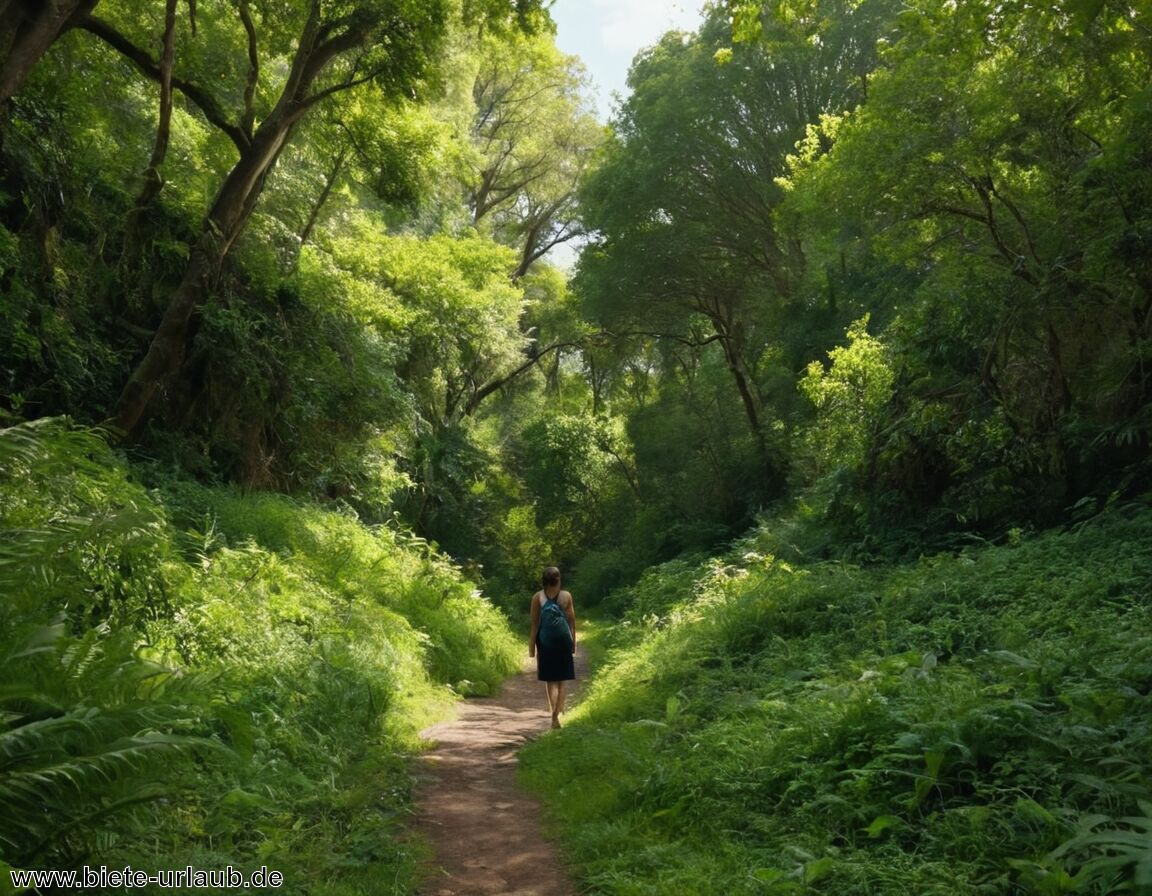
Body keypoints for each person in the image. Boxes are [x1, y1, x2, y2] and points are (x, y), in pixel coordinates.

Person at [528, 566, 576, 729]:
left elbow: (534, 624)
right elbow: (572, 622)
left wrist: (531, 648)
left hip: (546, 641)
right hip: (564, 641)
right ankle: (557, 714)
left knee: (550, 681)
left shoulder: (538, 597)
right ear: (559, 580)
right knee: (562, 680)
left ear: (543, 581)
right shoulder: (566, 596)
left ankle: (553, 716)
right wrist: (573, 644)